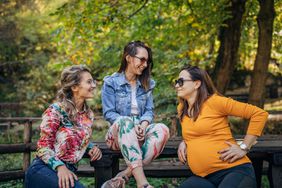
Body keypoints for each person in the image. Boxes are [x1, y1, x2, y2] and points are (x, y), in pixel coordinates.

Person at [175, 65, 268, 188]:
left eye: (181, 81)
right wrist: (185, 141)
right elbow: (197, 131)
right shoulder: (182, 109)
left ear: (197, 84)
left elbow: (259, 114)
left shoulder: (215, 102)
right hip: (205, 178)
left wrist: (244, 147)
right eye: (176, 82)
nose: (177, 85)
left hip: (234, 170)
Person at [101, 41, 170, 188]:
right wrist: (132, 124)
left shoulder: (148, 83)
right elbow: (109, 113)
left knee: (162, 129)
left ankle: (124, 175)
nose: (145, 64)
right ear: (128, 58)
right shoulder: (110, 82)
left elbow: (149, 111)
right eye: (142, 59)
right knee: (125, 121)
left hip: (139, 134)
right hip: (117, 136)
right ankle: (142, 183)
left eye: (148, 61)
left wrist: (143, 125)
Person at [25, 65, 102, 188]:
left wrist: (90, 147)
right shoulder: (56, 110)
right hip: (44, 169)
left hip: (69, 171)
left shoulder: (88, 115)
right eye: (89, 82)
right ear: (74, 87)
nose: (93, 85)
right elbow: (42, 147)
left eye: (93, 81)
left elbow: (76, 137)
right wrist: (60, 167)